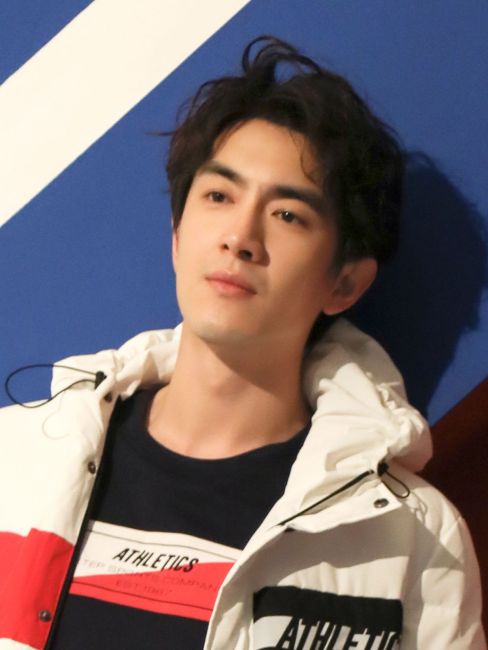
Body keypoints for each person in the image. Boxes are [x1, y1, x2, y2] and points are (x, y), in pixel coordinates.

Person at [0, 36, 484, 650]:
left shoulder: (412, 540)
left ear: (344, 283)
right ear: (178, 237)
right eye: (219, 196)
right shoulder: (16, 462)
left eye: (288, 215)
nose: (240, 236)